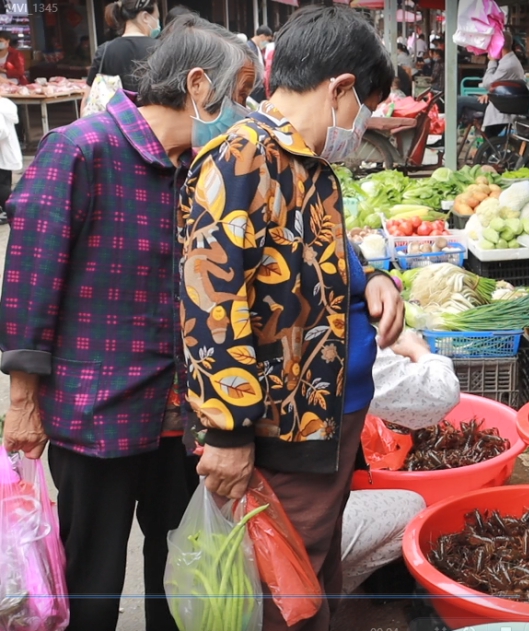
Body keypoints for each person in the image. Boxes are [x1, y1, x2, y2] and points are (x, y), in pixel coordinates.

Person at [0, 14, 257, 631]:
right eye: (240, 96)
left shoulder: (202, 170)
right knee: (93, 579)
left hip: (181, 423)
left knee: (179, 576)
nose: (245, 113)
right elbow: (30, 284)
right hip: (98, 420)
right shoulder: (81, 151)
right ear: (199, 86)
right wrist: (22, 401)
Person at [177, 6, 401, 631]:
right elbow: (211, 306)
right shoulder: (241, 160)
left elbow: (325, 258)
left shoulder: (308, 167)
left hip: (326, 418)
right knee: (285, 595)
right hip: (282, 431)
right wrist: (226, 434)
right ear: (342, 89)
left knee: (312, 575)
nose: (363, 126)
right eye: (366, 109)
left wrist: (378, 279)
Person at [342, 329, 460, 593]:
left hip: (236, 511)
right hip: (280, 526)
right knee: (415, 509)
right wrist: (418, 350)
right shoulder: (337, 337)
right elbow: (438, 395)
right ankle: (314, 595)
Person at [86, 0, 161, 97]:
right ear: (145, 17)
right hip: (151, 112)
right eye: (156, 17)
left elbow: (87, 99)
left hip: (114, 112)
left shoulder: (104, 50)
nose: (157, 23)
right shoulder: (162, 48)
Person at [479, 30, 526, 137]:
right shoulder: (509, 61)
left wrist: (492, 62)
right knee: (489, 138)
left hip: (501, 106)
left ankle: (447, 143)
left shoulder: (508, 64)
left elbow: (488, 83)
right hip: (500, 101)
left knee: (459, 102)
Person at [0, 95, 19, 226]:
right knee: (5, 182)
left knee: (2, 186)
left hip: (2, 152)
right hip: (6, 153)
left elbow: (1, 131)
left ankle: (11, 212)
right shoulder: (5, 104)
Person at [248, 25, 273, 101]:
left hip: (258, 86)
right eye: (267, 40)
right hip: (254, 87)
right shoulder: (249, 48)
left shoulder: (256, 47)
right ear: (262, 36)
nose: (267, 43)